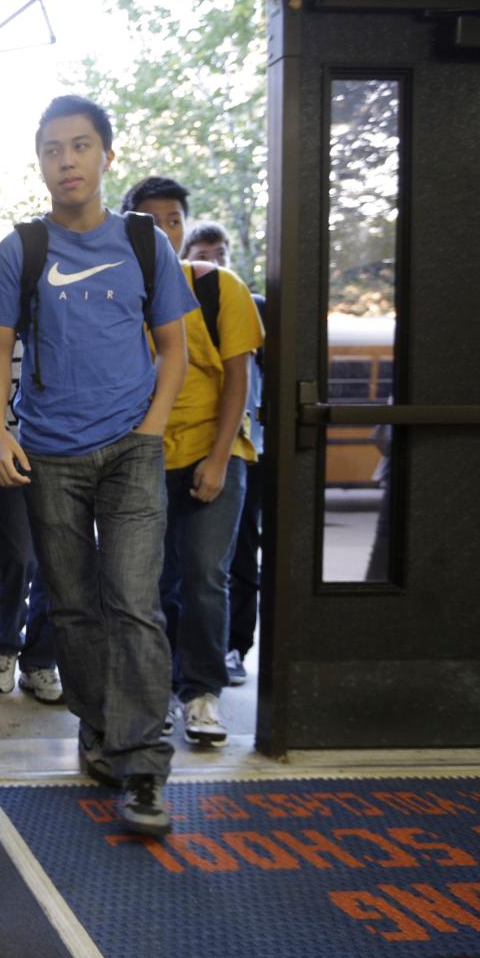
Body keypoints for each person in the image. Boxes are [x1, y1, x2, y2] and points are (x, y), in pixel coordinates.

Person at [0, 95, 194, 836]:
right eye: (50, 149)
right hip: (49, 454)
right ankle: (102, 728)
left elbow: (175, 346)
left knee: (134, 601)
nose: (65, 160)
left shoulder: (143, 241)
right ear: (38, 161)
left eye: (78, 146)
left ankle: (142, 765)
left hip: (131, 449)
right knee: (70, 606)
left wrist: (150, 429)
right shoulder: (22, 248)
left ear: (107, 154)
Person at [123, 177, 264, 746]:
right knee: (149, 584)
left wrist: (216, 458)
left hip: (215, 450)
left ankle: (202, 693)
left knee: (207, 576)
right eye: (150, 221)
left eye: (174, 219)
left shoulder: (216, 288)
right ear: (130, 228)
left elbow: (238, 380)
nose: (164, 230)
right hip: (144, 459)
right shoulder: (116, 295)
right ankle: (151, 694)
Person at [0, 237, 63, 705]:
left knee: (57, 562)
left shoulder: (61, 320)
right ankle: (5, 646)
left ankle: (41, 661)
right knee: (15, 557)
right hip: (5, 450)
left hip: (62, 451)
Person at [226, 290, 267, 684]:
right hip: (187, 448)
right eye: (204, 256)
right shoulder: (176, 302)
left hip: (250, 450)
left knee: (242, 552)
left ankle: (236, 646)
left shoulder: (252, 306)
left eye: (219, 255)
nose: (213, 263)